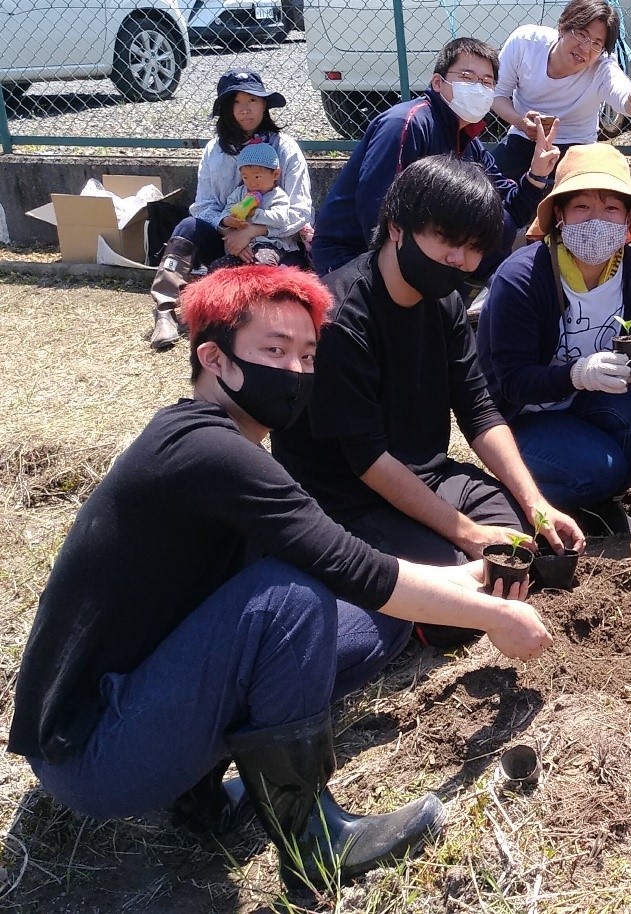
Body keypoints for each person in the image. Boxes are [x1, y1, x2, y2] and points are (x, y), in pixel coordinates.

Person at [9, 266, 553, 894]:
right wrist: (494, 616)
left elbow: (346, 567)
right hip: (93, 754)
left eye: (307, 355)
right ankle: (314, 843)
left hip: (128, 713)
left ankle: (202, 799)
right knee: (293, 600)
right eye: (274, 351)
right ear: (214, 358)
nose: (296, 372)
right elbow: (349, 565)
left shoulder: (218, 442)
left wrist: (467, 578)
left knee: (368, 623)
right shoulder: (208, 451)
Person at [271, 155, 585, 647]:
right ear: (397, 228)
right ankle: (406, 605)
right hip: (346, 497)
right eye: (448, 241)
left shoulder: (445, 302)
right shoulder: (339, 317)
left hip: (429, 475)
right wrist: (464, 532)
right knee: (456, 603)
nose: (460, 260)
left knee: (520, 542)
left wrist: (536, 503)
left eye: (473, 247)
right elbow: (368, 460)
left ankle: (443, 584)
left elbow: (479, 410)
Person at [476, 144, 631, 525]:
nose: (596, 220)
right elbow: (511, 382)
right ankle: (521, 495)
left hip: (585, 407)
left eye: (611, 208)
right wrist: (578, 374)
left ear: (627, 219)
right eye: (582, 207)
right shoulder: (523, 278)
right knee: (600, 468)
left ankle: (597, 494)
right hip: (523, 417)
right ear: (560, 215)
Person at [310, 37, 560, 278]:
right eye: (466, 77)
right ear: (438, 83)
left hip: (418, 256)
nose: (477, 87)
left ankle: (452, 293)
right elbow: (376, 208)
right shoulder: (406, 124)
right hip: (353, 255)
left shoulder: (469, 143)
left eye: (486, 82)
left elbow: (510, 210)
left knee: (499, 223)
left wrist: (537, 174)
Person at [149, 68, 312, 350]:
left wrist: (252, 231)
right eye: (236, 102)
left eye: (253, 100)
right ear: (226, 108)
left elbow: (300, 211)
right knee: (188, 227)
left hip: (276, 242)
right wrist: (226, 228)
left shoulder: (285, 149)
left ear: (264, 104)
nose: (245, 109)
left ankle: (218, 311)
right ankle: (164, 309)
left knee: (276, 296)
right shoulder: (214, 150)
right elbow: (203, 205)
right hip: (226, 238)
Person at [490, 0, 631, 183]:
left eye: (597, 43)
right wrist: (521, 122)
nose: (586, 48)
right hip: (523, 138)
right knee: (487, 186)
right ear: (562, 27)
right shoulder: (526, 43)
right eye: (582, 35)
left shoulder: (603, 65)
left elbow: (626, 101)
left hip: (577, 148)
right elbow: (497, 94)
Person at [206, 140, 301, 270]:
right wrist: (228, 220)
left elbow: (281, 218)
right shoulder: (241, 192)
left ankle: (263, 288)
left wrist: (255, 214)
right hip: (242, 246)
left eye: (257, 177)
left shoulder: (277, 196)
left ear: (275, 174)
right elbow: (229, 207)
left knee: (262, 265)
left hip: (270, 244)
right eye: (245, 177)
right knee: (217, 267)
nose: (252, 183)